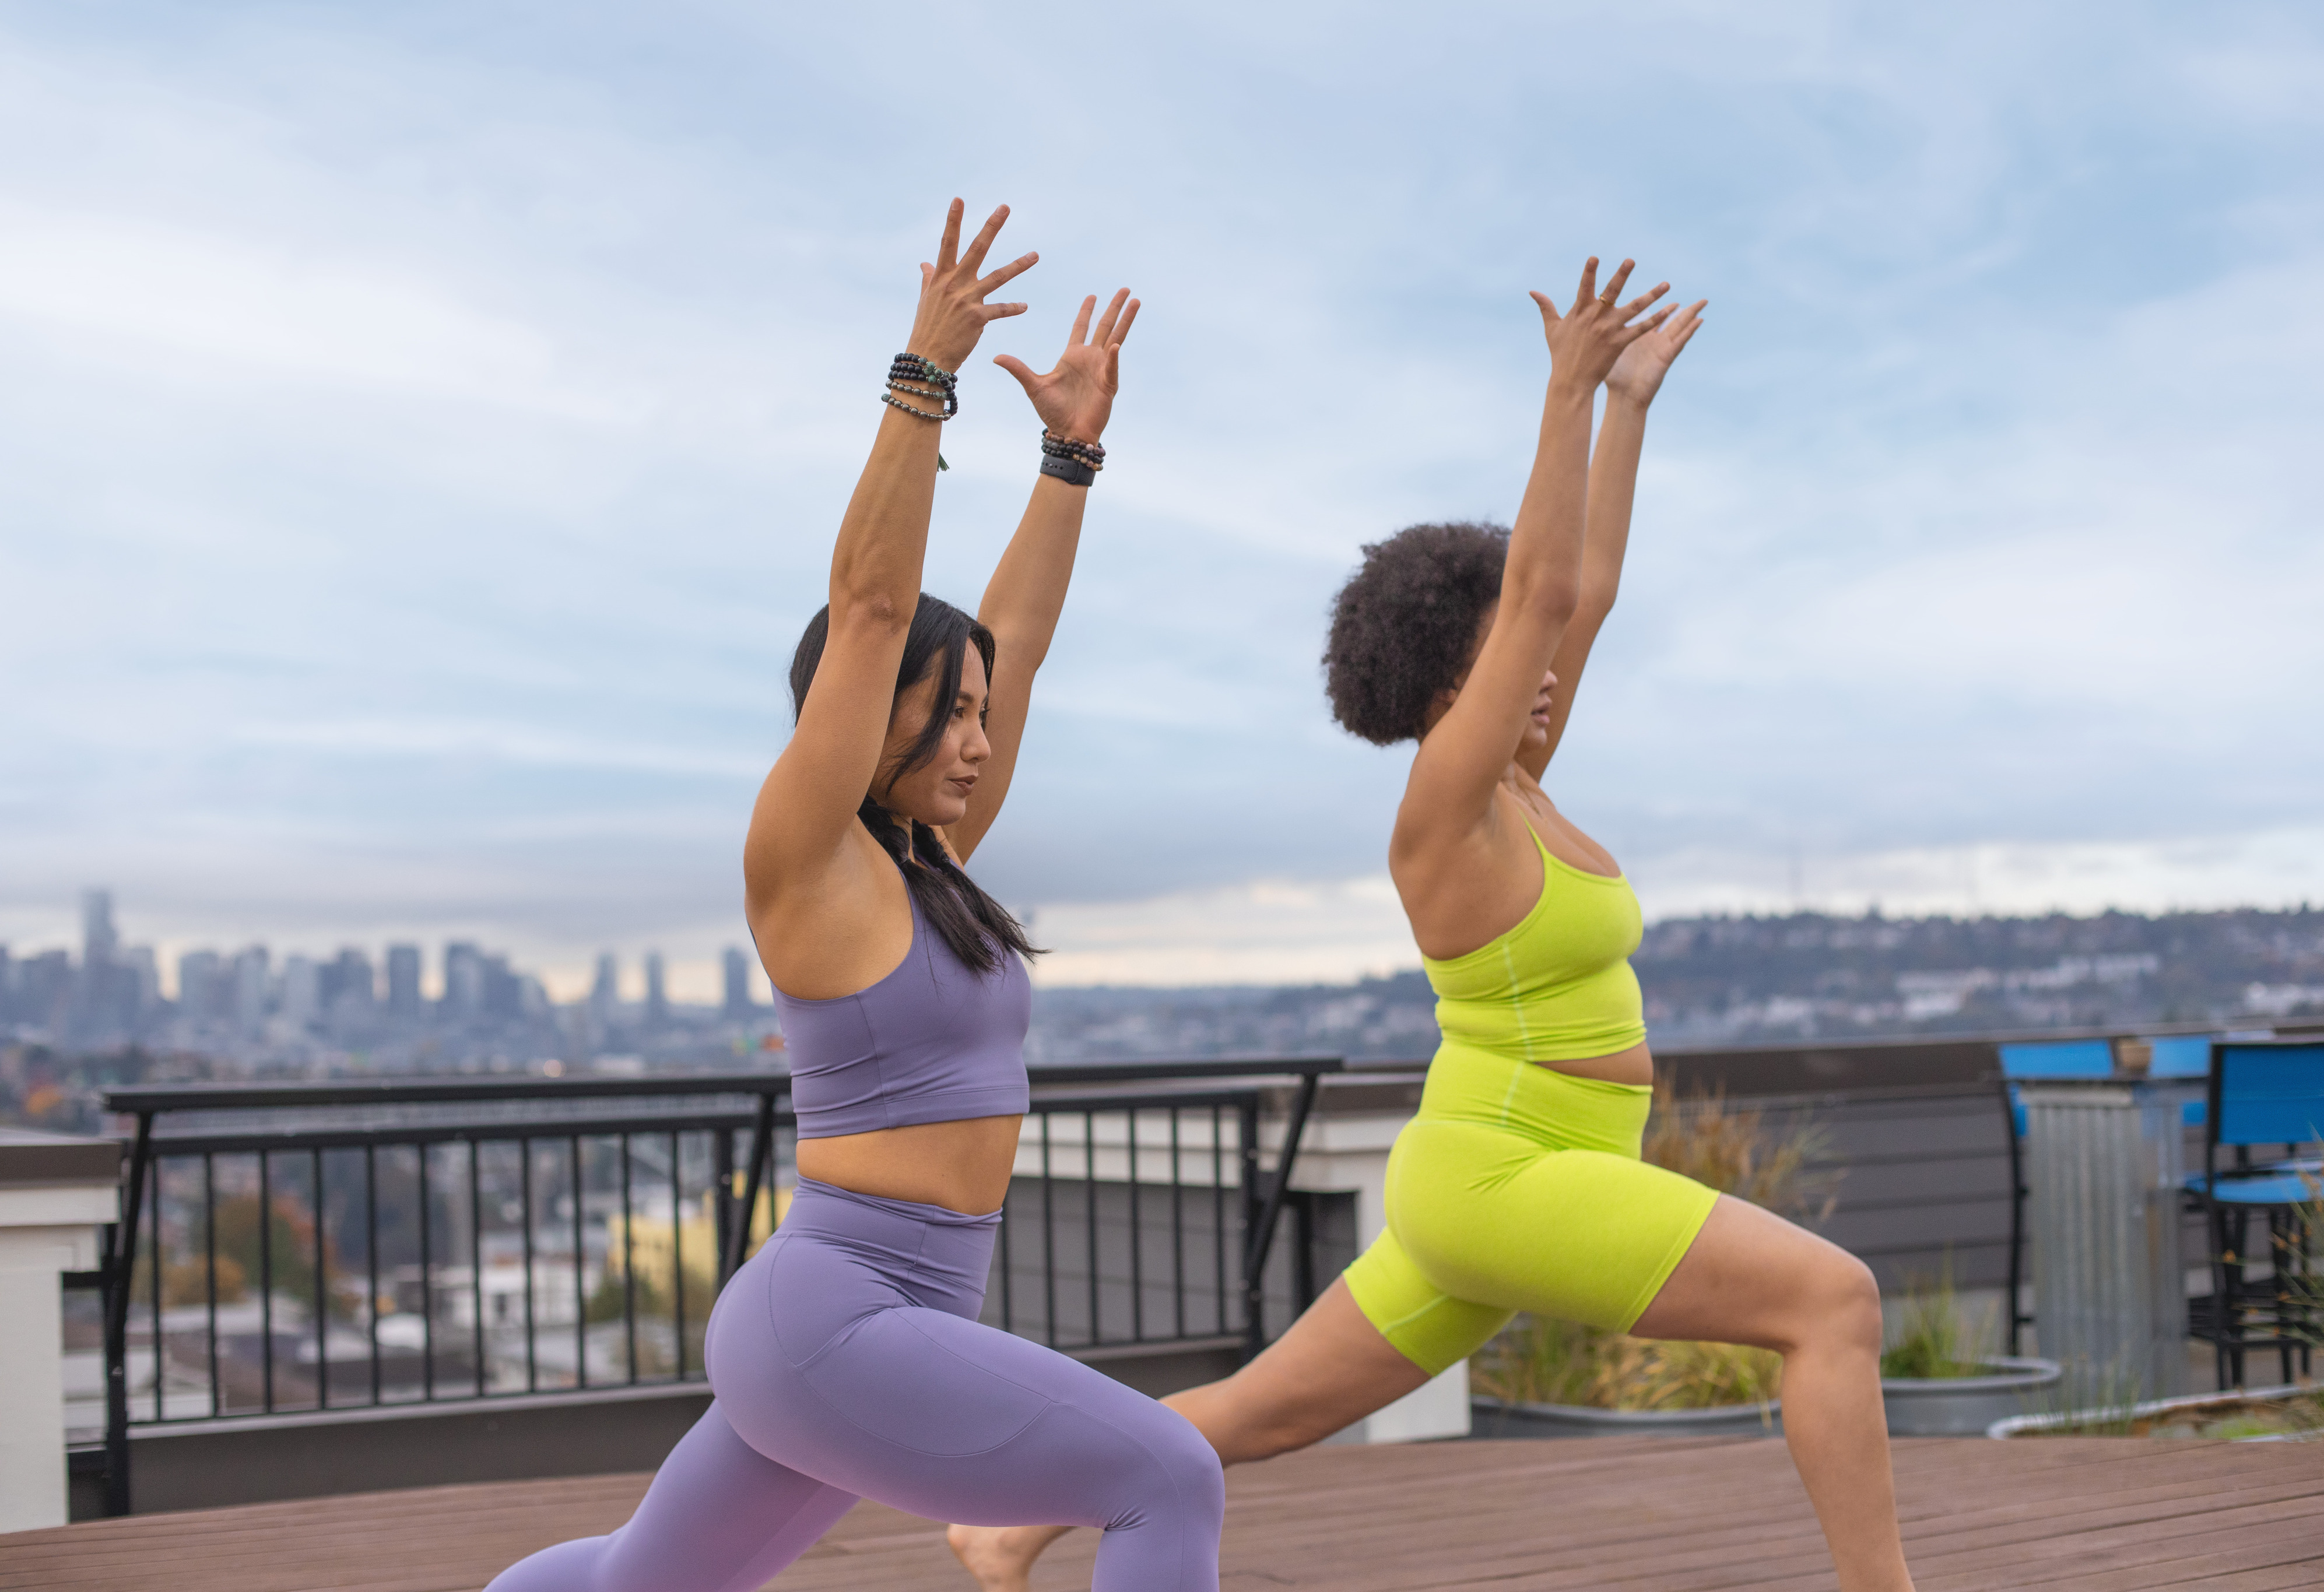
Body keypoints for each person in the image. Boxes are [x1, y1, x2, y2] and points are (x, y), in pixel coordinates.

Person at [951, 251, 1919, 1592]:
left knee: (1267, 1409)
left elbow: (1577, 595)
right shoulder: (1443, 812)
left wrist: (1627, 406)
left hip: (1499, 1164)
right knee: (1833, 1301)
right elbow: (1533, 596)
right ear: (1446, 680)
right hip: (1504, 1173)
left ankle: (1007, 1520)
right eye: (1506, 662)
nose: (1539, 669)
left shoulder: (1522, 779)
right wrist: (1563, 393)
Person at [487, 200, 1224, 1592]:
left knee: (634, 1584)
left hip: (887, 1311)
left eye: (983, 717)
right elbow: (873, 603)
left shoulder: (931, 865)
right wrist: (921, 380)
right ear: (859, 712)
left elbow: (1024, 641)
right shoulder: (807, 860)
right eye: (946, 715)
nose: (977, 739)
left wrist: (1071, 457)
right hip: (835, 1316)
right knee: (1163, 1472)